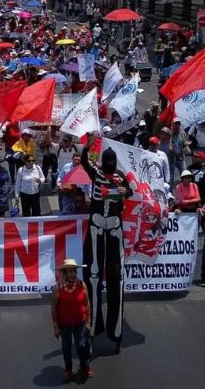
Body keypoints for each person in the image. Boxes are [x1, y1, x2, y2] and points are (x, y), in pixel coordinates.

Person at [81, 146, 132, 353]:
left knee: (116, 277)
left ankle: (116, 332)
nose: (110, 164)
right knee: (92, 275)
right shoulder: (97, 172)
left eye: (112, 161)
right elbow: (85, 161)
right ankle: (92, 329)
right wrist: (87, 145)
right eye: (108, 161)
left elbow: (129, 191)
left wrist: (124, 191)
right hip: (96, 223)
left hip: (114, 225)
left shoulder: (119, 175)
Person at [50, 259, 93, 383]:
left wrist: (88, 321)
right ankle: (68, 370)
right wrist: (55, 326)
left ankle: (84, 367)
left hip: (80, 322)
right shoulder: (57, 288)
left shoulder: (81, 284)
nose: (73, 274)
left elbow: (87, 303)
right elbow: (53, 307)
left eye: (74, 271)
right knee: (66, 348)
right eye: (70, 271)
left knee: (81, 346)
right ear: (65, 273)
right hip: (65, 325)